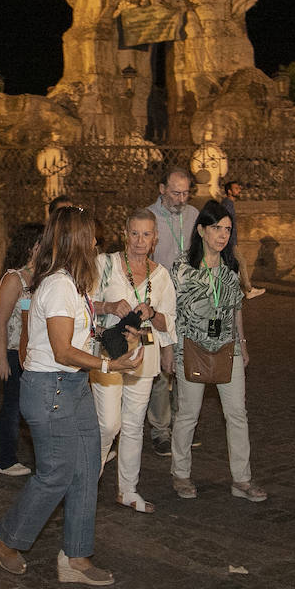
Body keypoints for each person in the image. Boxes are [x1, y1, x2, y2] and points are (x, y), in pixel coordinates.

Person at [0, 206, 140, 585]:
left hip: (74, 386)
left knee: (87, 472)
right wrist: (108, 367)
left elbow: (82, 336)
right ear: (75, 242)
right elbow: (62, 350)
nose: (97, 243)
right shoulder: (56, 285)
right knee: (56, 474)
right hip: (50, 388)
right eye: (91, 237)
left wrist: (119, 337)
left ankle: (76, 558)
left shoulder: (73, 282)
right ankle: (4, 537)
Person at [169, 200, 267, 504]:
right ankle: (181, 473)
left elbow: (235, 306)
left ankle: (242, 479)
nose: (222, 235)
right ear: (201, 230)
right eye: (216, 228)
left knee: (237, 413)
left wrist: (243, 343)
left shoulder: (232, 264)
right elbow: (172, 312)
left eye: (227, 229)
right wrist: (171, 350)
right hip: (191, 346)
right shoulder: (182, 266)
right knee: (188, 414)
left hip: (227, 347)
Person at [91, 209, 177, 512]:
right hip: (109, 354)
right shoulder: (105, 264)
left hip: (144, 356)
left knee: (132, 424)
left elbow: (169, 322)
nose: (140, 240)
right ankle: (87, 483)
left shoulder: (161, 275)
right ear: (125, 234)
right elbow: (84, 304)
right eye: (135, 233)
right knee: (108, 424)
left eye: (146, 234)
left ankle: (127, 489)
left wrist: (152, 314)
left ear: (155, 239)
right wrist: (109, 305)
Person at [145, 167, 199, 456]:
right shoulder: (148, 218)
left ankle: (183, 426)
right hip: (159, 302)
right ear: (162, 188)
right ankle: (160, 429)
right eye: (176, 192)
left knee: (186, 365)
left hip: (189, 302)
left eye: (186, 193)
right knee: (161, 368)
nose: (181, 199)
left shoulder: (193, 216)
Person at [0, 222, 45, 477]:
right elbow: (0, 320)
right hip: (14, 351)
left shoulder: (43, 277)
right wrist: (1, 358)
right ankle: (5, 459)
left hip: (35, 352)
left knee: (33, 407)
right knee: (13, 407)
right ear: (33, 246)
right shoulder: (15, 279)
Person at [221, 180, 265, 299]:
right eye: (236, 188)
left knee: (232, 265)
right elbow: (226, 224)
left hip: (230, 240)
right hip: (229, 241)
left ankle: (236, 290)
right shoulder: (227, 204)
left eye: (239, 188)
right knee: (241, 262)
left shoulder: (229, 204)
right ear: (229, 191)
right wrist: (229, 241)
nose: (239, 190)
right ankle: (248, 289)